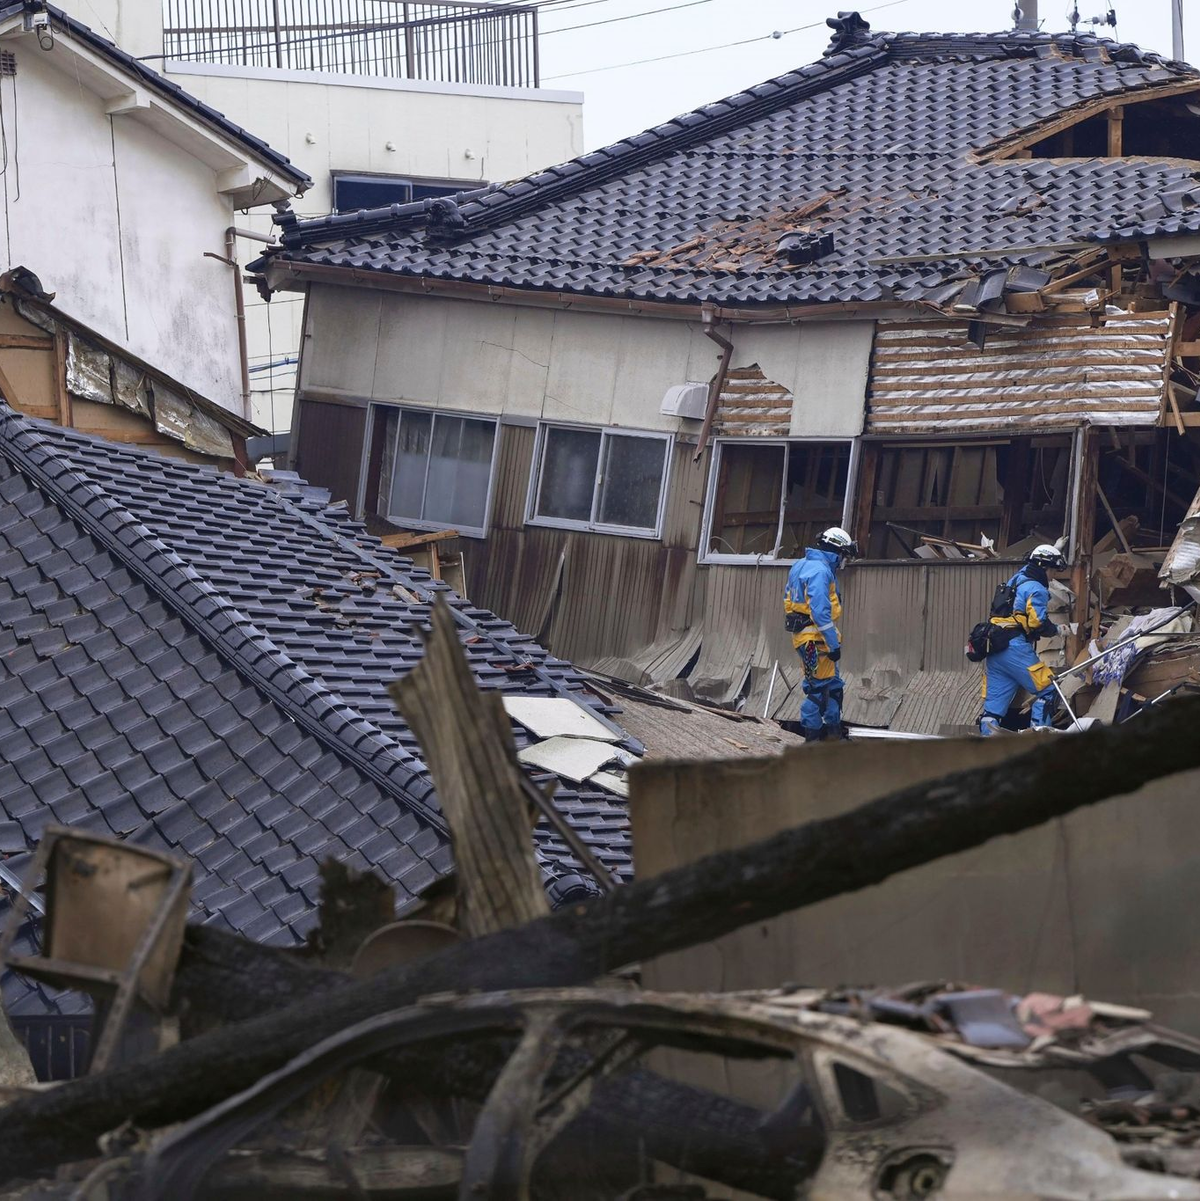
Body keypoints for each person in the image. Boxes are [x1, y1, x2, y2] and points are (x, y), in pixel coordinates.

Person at [979, 543, 1066, 736]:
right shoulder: (1037, 588)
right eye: (1053, 571)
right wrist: (1059, 630)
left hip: (995, 648)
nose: (1053, 577)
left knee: (992, 710)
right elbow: (1038, 623)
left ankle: (986, 746)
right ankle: (1037, 740)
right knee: (1049, 691)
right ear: (1044, 567)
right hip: (1015, 649)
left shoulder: (1016, 579)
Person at [785, 526, 858, 742]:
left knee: (833, 686)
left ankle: (834, 735)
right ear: (836, 551)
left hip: (809, 639)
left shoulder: (800, 565)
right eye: (844, 555)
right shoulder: (820, 571)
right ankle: (813, 739)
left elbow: (789, 599)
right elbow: (820, 613)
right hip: (815, 642)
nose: (843, 561)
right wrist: (834, 645)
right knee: (817, 690)